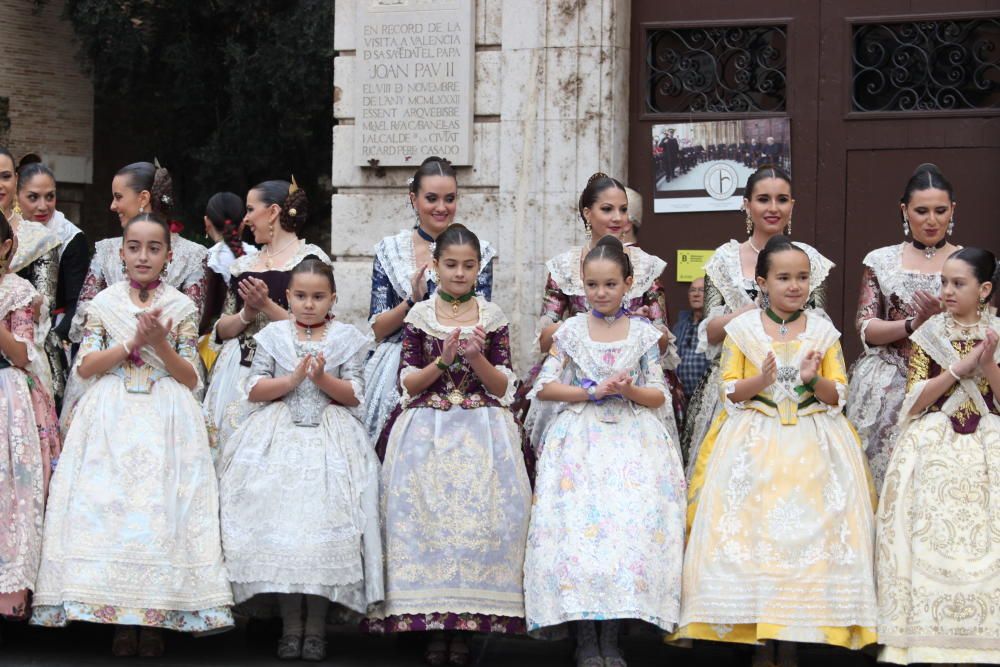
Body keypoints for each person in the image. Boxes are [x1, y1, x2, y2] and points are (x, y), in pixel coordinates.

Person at [31, 213, 233, 657]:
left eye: (153, 248)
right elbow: (85, 366)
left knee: (161, 509)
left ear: (168, 255)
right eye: (135, 247)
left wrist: (159, 343)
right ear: (121, 253)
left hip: (166, 414)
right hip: (110, 413)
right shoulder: (104, 303)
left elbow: (190, 378)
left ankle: (156, 616)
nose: (144, 256)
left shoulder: (180, 306)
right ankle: (119, 617)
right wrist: (130, 344)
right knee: (111, 507)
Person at [675, 236, 877, 666]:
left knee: (805, 540)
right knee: (758, 535)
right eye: (784, 278)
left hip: (813, 443)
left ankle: (795, 641)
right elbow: (730, 390)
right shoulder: (743, 331)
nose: (794, 286)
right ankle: (761, 640)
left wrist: (810, 379)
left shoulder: (823, 333)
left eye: (802, 278)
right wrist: (760, 382)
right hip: (754, 441)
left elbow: (837, 393)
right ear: (763, 282)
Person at [367, 224, 530, 667]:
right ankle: (432, 626)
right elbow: (408, 383)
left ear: (479, 268)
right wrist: (444, 358)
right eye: (451, 265)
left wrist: (475, 356)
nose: (460, 274)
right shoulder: (419, 316)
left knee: (479, 525)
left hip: (482, 426)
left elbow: (503, 387)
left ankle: (465, 629)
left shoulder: (492, 315)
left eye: (469, 266)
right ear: (434, 266)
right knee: (427, 525)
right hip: (426, 425)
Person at [524, 235, 686, 667]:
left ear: (628, 284)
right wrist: (590, 391)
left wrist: (629, 388)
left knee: (622, 535)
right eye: (593, 285)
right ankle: (584, 636)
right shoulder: (571, 331)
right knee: (581, 533)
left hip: (632, 442)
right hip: (582, 443)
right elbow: (545, 386)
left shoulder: (645, 334)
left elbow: (659, 395)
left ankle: (612, 635)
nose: (601, 293)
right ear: (583, 285)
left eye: (610, 284)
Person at [218, 259, 381, 662]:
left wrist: (324, 379)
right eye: (302, 296)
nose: (309, 304)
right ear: (287, 297)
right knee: (287, 531)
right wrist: (292, 380)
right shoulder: (274, 334)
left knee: (320, 533)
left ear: (333, 299)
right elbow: (254, 388)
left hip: (331, 441)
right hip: (278, 438)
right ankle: (291, 627)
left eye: (318, 297)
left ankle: (316, 629)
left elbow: (356, 393)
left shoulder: (347, 338)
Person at [876, 248, 1000, 665]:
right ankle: (924, 637)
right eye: (944, 282)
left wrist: (989, 363)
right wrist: (959, 368)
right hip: (934, 439)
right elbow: (913, 401)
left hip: (987, 442)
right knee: (929, 536)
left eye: (958, 284)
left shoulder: (998, 332)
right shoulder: (928, 334)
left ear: (983, 289)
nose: (947, 291)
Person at [681, 166, 833, 470]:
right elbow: (709, 331)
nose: (773, 208)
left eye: (782, 199)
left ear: (793, 205)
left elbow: (819, 327)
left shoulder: (810, 260)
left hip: (794, 387)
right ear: (747, 204)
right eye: (764, 199)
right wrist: (752, 311)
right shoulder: (724, 260)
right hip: (739, 382)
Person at [520, 173, 682, 457]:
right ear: (587, 213)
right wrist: (586, 324)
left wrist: (633, 323)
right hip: (576, 378)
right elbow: (545, 340)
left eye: (623, 209)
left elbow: (662, 342)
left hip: (634, 377)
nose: (618, 217)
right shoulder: (564, 266)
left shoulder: (646, 267)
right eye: (607, 209)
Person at [363, 156, 496, 458]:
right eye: (431, 198)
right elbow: (377, 329)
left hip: (462, 363)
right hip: (401, 362)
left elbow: (483, 321)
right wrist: (412, 300)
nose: (441, 207)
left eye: (449, 199)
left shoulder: (481, 252)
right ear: (413, 198)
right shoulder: (390, 250)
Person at [846, 163, 953, 492]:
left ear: (953, 211)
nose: (931, 220)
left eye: (940, 210)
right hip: (888, 386)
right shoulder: (880, 260)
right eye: (921, 211)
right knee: (882, 480)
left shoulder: (970, 262)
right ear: (904, 211)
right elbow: (865, 327)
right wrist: (912, 323)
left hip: (947, 382)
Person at [202, 179, 331, 450]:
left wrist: (267, 307)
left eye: (250, 209)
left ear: (272, 212)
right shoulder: (243, 265)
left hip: (289, 367)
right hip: (238, 369)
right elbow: (221, 328)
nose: (245, 219)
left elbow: (321, 329)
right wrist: (246, 313)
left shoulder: (310, 260)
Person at [0, 210, 61, 632]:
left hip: (7, 396)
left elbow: (22, 354)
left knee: (11, 498)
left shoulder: (18, 292)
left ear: (6, 246)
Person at [69, 161, 208, 344]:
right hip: (109, 358)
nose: (112, 206)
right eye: (133, 248)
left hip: (167, 361)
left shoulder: (193, 255)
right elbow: (85, 315)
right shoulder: (106, 251)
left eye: (118, 197)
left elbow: (190, 322)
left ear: (143, 199)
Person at [16, 158, 89, 399]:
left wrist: (52, 338)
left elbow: (76, 301)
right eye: (33, 197)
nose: (43, 206)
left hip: (51, 332)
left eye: (50, 196)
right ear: (18, 195)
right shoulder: (9, 231)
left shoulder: (69, 238)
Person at [0, 148, 62, 398]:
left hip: (26, 342)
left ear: (16, 179)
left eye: (5, 176)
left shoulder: (40, 238)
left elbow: (44, 303)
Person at [199, 191, 257, 336]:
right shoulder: (257, 254)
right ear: (243, 224)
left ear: (207, 222)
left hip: (219, 341)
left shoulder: (211, 259)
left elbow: (206, 315)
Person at [674, 277, 710, 401]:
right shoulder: (680, 325)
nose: (696, 294)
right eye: (692, 290)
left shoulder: (714, 325)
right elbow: (671, 359)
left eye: (701, 290)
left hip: (706, 398)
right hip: (682, 398)